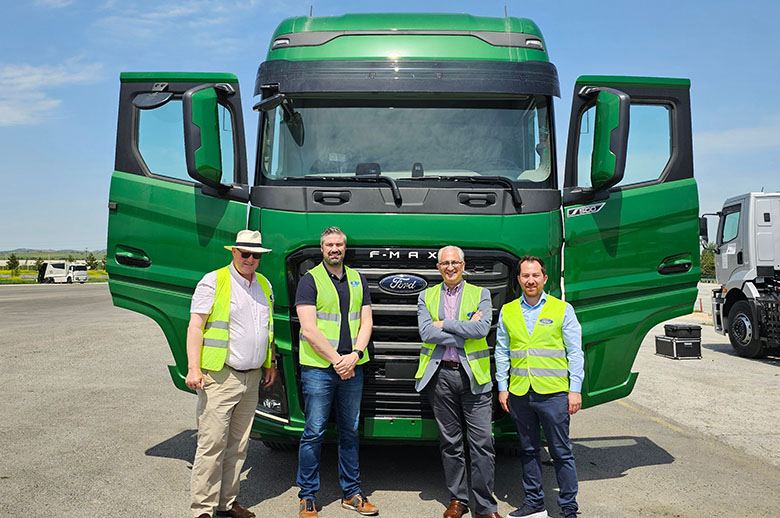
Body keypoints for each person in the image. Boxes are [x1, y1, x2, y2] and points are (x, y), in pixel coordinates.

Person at [186, 230, 277, 518]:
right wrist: (193, 368)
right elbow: (196, 327)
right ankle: (203, 508)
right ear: (234, 252)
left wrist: (270, 362)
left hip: (252, 377)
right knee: (212, 443)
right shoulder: (213, 281)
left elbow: (267, 329)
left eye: (255, 255)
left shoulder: (264, 284)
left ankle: (227, 502)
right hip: (220, 377)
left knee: (238, 445)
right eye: (245, 253)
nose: (250, 259)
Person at [295, 227, 378, 518]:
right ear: (322, 248)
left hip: (352, 367)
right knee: (314, 432)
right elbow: (308, 329)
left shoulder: (358, 279)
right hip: (319, 369)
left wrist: (354, 356)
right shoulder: (310, 280)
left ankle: (352, 493)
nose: (334, 249)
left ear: (345, 248)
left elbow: (366, 322)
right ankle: (307, 496)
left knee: (350, 432)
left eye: (339, 244)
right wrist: (337, 361)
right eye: (329, 244)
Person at [416, 245, 501, 518]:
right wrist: (465, 330)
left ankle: (485, 506)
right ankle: (458, 500)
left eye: (455, 262)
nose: (450, 267)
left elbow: (481, 329)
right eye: (445, 263)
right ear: (438, 267)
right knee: (450, 443)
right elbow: (426, 333)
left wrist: (444, 324)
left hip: (474, 377)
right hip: (441, 376)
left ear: (463, 265)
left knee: (482, 443)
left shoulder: (481, 294)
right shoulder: (426, 295)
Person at [495, 256, 584, 518]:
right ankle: (534, 503)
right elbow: (502, 351)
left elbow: (575, 352)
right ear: (519, 279)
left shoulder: (562, 309)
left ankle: (568, 508)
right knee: (528, 450)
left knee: (561, 452)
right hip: (520, 393)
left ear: (544, 278)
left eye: (535, 275)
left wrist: (575, 389)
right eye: (525, 276)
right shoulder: (508, 311)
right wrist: (503, 387)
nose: (530, 280)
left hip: (553, 394)